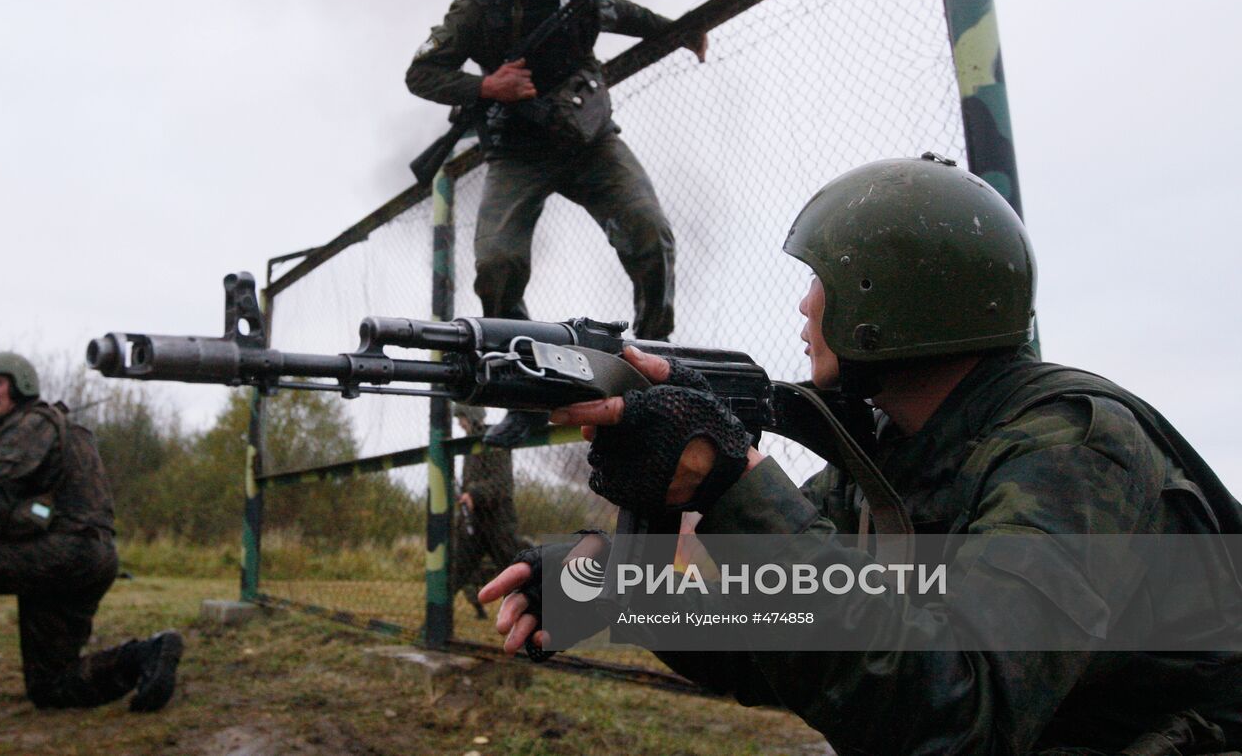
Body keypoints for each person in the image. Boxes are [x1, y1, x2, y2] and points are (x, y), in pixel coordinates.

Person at [482, 154, 1242, 754]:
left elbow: (955, 711)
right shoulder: (894, 463)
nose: (806, 306)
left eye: (823, 281)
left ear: (890, 300)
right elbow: (762, 639)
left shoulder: (1073, 450)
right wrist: (612, 575)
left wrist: (733, 480)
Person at [406, 0, 706, 447]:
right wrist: (487, 84)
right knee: (496, 263)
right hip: (517, 152)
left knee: (649, 231)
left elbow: (628, 13)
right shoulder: (480, 6)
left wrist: (682, 30)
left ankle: (654, 363)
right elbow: (420, 73)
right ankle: (525, 392)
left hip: (589, 141)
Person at [0, 352, 183, 722]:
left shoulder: (29, 425)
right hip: (93, 556)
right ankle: (145, 656)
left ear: (21, 384)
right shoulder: (66, 427)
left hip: (60, 553)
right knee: (51, 686)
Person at [449, 404, 525, 619]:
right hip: (475, 522)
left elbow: (501, 483)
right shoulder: (470, 444)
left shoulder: (496, 438)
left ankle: (536, 613)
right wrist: (466, 496)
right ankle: (437, 620)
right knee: (457, 569)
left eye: (461, 417)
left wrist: (473, 493)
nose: (458, 422)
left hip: (498, 520)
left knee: (514, 571)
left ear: (471, 416)